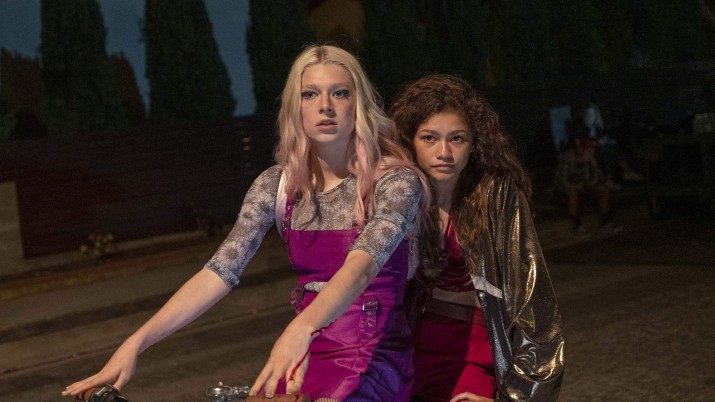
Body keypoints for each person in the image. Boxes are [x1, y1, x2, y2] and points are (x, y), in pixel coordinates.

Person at [62, 44, 428, 402]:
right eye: (310, 94)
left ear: (358, 103)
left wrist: (301, 327)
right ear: (295, 107)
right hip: (304, 353)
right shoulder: (277, 186)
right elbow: (219, 272)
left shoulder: (395, 183)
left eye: (340, 92)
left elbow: (360, 269)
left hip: (373, 355)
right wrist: (136, 342)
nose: (325, 106)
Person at [389, 74, 565, 402]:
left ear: (474, 143)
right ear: (409, 141)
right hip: (406, 353)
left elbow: (533, 300)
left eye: (457, 138)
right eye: (429, 138)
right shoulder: (397, 196)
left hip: (472, 351)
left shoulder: (496, 196)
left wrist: (520, 393)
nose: (444, 152)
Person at [553, 126, 620, 234]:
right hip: (566, 192)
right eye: (589, 148)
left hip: (584, 189)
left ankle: (605, 223)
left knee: (603, 190)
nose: (592, 151)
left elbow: (597, 179)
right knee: (573, 193)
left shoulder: (590, 159)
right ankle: (577, 226)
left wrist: (593, 163)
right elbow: (562, 183)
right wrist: (579, 185)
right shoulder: (567, 159)